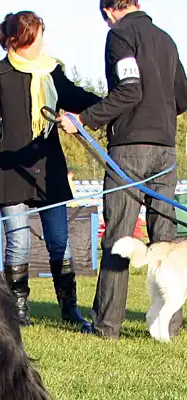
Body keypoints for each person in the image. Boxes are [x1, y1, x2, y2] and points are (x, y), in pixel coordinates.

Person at [59, 0, 187, 340]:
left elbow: (129, 89)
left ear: (107, 11)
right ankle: (170, 326)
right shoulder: (166, 39)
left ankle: (107, 325)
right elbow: (183, 96)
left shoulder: (120, 34)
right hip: (166, 149)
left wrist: (83, 119)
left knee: (117, 236)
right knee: (166, 239)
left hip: (130, 150)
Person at [0, 11, 101, 330]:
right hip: (11, 169)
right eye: (37, 37)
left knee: (60, 241)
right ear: (18, 40)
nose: (42, 43)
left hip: (48, 169)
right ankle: (18, 312)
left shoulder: (51, 71)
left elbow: (77, 98)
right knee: (19, 242)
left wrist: (110, 107)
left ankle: (70, 310)